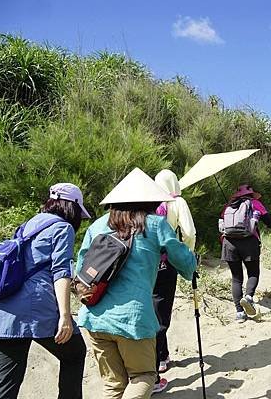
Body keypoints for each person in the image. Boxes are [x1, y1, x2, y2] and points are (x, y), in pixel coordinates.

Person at [76, 168, 197, 399]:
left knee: (113, 385)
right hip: (133, 319)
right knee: (143, 376)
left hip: (94, 319)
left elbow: (80, 269)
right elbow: (182, 260)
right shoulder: (154, 223)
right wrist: (191, 265)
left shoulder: (97, 226)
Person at [0, 183, 90, 399]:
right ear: (72, 207)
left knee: (6, 382)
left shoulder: (25, 226)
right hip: (37, 311)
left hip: (0, 312)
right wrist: (65, 317)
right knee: (75, 354)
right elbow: (60, 272)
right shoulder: (62, 228)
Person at [153, 169, 196, 373]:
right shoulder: (177, 202)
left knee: (151, 309)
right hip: (166, 261)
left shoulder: (147, 201)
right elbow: (189, 233)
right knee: (162, 311)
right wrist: (187, 255)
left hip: (145, 262)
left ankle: (163, 354)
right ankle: (158, 360)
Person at [219, 185, 271, 323]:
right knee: (253, 272)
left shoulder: (229, 206)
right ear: (251, 194)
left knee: (236, 278)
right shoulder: (255, 203)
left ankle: (239, 313)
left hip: (229, 243)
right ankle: (248, 297)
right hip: (249, 242)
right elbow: (269, 221)